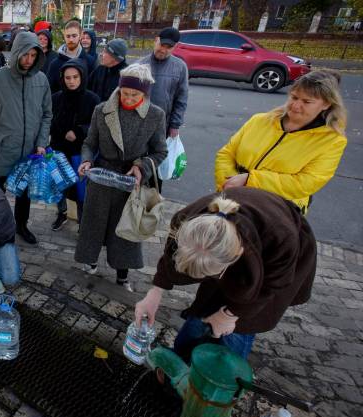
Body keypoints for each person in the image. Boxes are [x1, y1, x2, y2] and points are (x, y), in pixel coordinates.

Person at [134, 188, 317, 361]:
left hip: (279, 252)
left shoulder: (281, 237)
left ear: (237, 255)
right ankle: (181, 358)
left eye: (212, 274)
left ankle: (222, 370)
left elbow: (271, 287)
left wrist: (231, 315)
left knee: (240, 325)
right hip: (224, 247)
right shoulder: (186, 219)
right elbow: (170, 257)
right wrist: (155, 293)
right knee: (206, 306)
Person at [75, 63, 167, 290]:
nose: (127, 98)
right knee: (94, 225)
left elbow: (160, 151)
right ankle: (91, 262)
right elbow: (89, 143)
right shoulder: (102, 110)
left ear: (144, 93)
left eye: (134, 94)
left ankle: (122, 275)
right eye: (124, 92)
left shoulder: (155, 115)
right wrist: (87, 160)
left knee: (125, 230)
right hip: (101, 177)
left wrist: (142, 166)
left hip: (130, 182)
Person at [214, 70, 347, 215]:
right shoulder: (259, 120)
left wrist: (250, 180)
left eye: (307, 101)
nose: (296, 105)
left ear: (326, 104)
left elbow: (306, 183)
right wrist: (229, 184)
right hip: (230, 195)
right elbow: (226, 153)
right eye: (294, 97)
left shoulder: (332, 141)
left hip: (278, 207)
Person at [0, 31, 52, 245]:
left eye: (33, 55)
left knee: (24, 195)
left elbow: (47, 113)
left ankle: (21, 225)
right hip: (2, 151)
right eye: (25, 55)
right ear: (17, 52)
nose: (29, 60)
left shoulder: (41, 80)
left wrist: (41, 143)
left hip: (29, 152)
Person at [49, 58, 100, 230]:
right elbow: (49, 121)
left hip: (80, 151)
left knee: (81, 188)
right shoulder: (56, 98)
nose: (71, 81)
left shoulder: (92, 99)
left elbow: (96, 126)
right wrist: (63, 132)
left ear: (82, 77)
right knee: (59, 185)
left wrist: (79, 132)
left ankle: (82, 220)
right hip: (59, 149)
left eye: (75, 77)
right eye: (67, 77)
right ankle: (61, 213)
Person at [138, 27, 188, 138]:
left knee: (159, 154)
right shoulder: (140, 64)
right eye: (162, 45)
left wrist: (175, 125)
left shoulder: (180, 67)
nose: (163, 50)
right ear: (156, 40)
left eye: (169, 47)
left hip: (163, 125)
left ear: (175, 47)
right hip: (139, 122)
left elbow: (181, 99)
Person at [47, 20, 95, 93]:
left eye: (74, 36)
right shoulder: (55, 64)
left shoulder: (90, 62)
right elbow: (49, 91)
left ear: (81, 35)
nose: (71, 39)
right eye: (68, 36)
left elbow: (93, 89)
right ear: (64, 36)